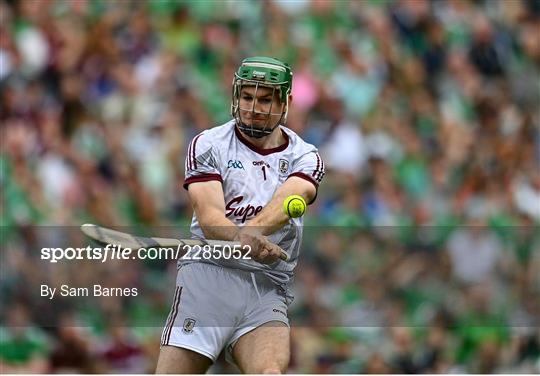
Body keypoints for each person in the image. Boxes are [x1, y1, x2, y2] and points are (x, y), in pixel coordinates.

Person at [156, 56, 325, 374]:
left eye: (264, 99)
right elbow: (209, 217)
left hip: (266, 283)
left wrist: (252, 233)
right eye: (247, 97)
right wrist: (241, 237)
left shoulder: (305, 155)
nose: (253, 107)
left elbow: (293, 196)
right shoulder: (209, 144)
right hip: (210, 276)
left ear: (285, 103)